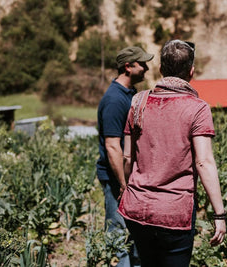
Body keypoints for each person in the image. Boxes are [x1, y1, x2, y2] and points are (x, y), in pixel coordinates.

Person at [118, 40, 227, 267]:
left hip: (137, 209)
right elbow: (204, 162)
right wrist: (219, 214)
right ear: (191, 72)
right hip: (174, 213)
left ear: (160, 69)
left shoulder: (138, 102)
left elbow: (127, 157)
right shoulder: (197, 108)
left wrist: (127, 188)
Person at [96, 46, 154, 267]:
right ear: (128, 67)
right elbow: (112, 146)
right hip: (116, 179)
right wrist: (122, 183)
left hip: (128, 178)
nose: (146, 68)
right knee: (118, 235)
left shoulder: (128, 95)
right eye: (142, 64)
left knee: (135, 235)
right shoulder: (114, 100)